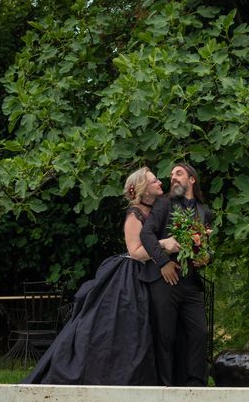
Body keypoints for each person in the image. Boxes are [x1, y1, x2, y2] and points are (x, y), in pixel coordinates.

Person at [22, 167, 179, 385]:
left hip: (153, 274)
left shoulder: (159, 210)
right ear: (143, 190)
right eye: (154, 182)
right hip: (131, 277)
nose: (160, 183)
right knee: (128, 327)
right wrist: (163, 245)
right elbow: (135, 252)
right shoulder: (135, 214)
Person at [139, 163, 213, 387]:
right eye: (171, 175)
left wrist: (206, 258)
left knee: (199, 332)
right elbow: (146, 233)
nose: (173, 178)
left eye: (179, 174)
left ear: (192, 180)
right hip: (164, 281)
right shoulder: (163, 204)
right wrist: (163, 262)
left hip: (190, 281)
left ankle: (196, 385)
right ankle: (165, 387)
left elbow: (207, 248)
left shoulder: (204, 212)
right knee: (165, 336)